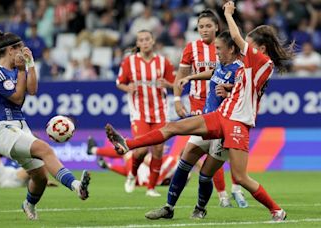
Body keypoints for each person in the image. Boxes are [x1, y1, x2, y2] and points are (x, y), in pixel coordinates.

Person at [105, 1, 292, 221]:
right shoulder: (249, 65)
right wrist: (226, 87)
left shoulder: (263, 62)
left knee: (239, 177)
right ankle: (128, 144)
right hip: (221, 115)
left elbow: (237, 39)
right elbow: (241, 83)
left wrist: (229, 14)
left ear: (260, 49)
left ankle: (277, 210)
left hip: (237, 123)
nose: (244, 47)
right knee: (173, 127)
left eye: (248, 44)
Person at [0, 30, 90, 220]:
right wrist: (23, 70)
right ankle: (76, 186)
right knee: (44, 148)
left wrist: (30, 65)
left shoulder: (18, 68)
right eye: (18, 47)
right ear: (9, 50)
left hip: (20, 125)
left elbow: (32, 90)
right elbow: (16, 98)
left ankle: (28, 204)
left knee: (40, 177)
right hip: (1, 127)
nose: (22, 50)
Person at [144, 30, 246, 221]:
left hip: (224, 129)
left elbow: (246, 95)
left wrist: (230, 93)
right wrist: (191, 77)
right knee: (185, 159)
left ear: (232, 48)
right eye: (215, 48)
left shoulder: (241, 69)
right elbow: (214, 73)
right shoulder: (221, 65)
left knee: (205, 175)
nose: (215, 52)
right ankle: (169, 207)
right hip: (206, 121)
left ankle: (200, 208)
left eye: (219, 48)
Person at [174, 9, 238, 207]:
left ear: (217, 27)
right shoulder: (191, 48)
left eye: (208, 26)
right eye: (201, 26)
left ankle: (231, 189)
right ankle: (223, 194)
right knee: (196, 151)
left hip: (220, 107)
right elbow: (181, 75)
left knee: (214, 152)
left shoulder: (226, 47)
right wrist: (176, 99)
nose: (204, 30)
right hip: (197, 106)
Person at [116, 29, 175, 197]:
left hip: (160, 113)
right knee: (140, 150)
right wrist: (128, 87)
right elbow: (119, 82)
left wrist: (169, 85)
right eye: (141, 40)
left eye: (147, 39)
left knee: (157, 150)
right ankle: (132, 175)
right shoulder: (130, 62)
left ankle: (151, 188)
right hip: (139, 113)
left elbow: (175, 82)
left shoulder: (164, 62)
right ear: (137, 43)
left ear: (153, 40)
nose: (145, 42)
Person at [87, 137, 185, 187]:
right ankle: (107, 165)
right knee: (132, 160)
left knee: (128, 153)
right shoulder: (179, 166)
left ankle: (93, 150)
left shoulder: (171, 160)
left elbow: (148, 161)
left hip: (144, 177)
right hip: (144, 180)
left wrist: (156, 152)